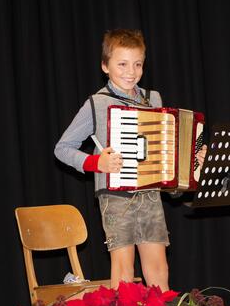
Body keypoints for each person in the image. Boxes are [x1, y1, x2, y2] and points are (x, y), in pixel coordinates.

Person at [55, 29, 205, 291]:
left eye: (137, 64)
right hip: (115, 195)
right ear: (105, 66)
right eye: (122, 64)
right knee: (124, 267)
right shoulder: (97, 103)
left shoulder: (153, 99)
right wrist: (95, 163)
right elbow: (63, 148)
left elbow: (164, 147)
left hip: (150, 192)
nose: (130, 71)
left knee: (159, 267)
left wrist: (191, 164)